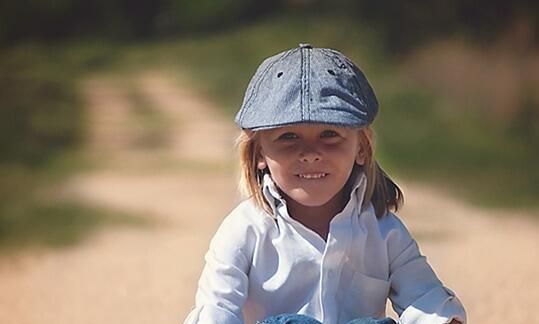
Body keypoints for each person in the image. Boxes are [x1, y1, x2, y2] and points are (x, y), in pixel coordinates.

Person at [183, 44, 467, 324]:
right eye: (289, 137)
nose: (310, 153)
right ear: (259, 153)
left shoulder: (384, 231)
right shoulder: (245, 230)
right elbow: (216, 308)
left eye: (329, 133)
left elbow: (424, 299)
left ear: (362, 148)